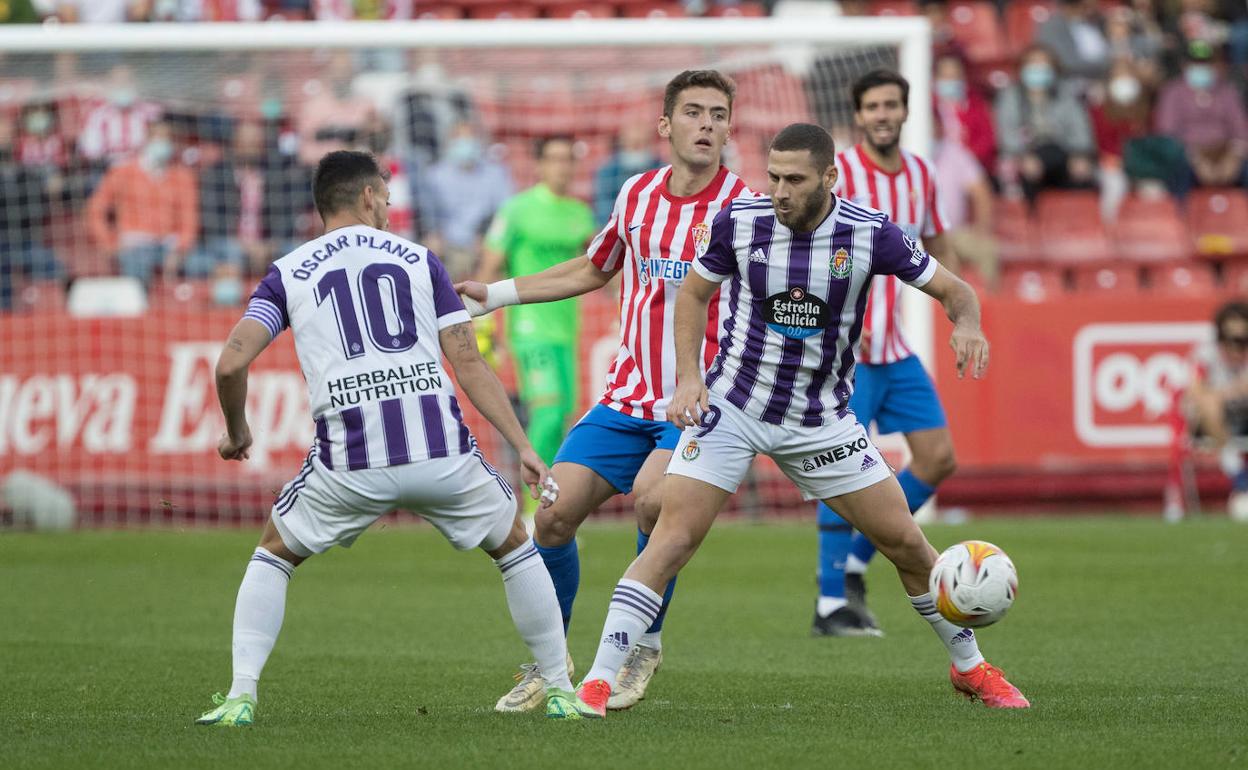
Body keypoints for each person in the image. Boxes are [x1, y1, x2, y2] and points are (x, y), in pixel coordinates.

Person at [571, 123, 1029, 717]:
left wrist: (966, 322)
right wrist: (689, 377)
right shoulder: (740, 222)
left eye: (795, 180)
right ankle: (601, 678)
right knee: (671, 538)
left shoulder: (870, 234)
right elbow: (691, 295)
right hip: (733, 409)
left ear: (829, 178)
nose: (781, 191)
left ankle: (971, 669)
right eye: (775, 178)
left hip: (820, 421)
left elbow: (954, 288)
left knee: (908, 546)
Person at [193, 150, 592, 727]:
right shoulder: (419, 259)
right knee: (513, 543)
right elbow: (467, 362)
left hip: (350, 461)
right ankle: (558, 688)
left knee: (274, 551)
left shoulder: (289, 270)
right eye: (383, 194)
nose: (387, 204)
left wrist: (237, 431)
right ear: (364, 197)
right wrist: (523, 445)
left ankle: (240, 697)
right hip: (441, 453)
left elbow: (231, 364)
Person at [457, 70, 752, 713]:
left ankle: (642, 643)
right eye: (695, 112)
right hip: (625, 397)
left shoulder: (745, 208)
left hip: (698, 402)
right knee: (553, 514)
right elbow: (595, 267)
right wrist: (497, 293)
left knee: (654, 500)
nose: (708, 124)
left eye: (719, 114)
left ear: (730, 128)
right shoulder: (637, 195)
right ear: (665, 126)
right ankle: (550, 661)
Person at [813, 70, 960, 637]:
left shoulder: (921, 174)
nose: (881, 113)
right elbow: (812, 249)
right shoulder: (840, 174)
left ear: (904, 111)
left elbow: (938, 243)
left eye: (891, 104)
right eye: (871, 105)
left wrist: (956, 306)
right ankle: (830, 606)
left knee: (939, 458)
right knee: (836, 469)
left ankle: (854, 565)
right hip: (845, 353)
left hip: (894, 348)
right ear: (858, 114)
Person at [478, 136, 597, 517]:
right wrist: (481, 324)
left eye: (568, 160)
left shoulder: (580, 214)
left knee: (561, 417)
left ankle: (547, 507)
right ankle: (533, 513)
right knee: (545, 414)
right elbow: (490, 266)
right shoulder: (517, 210)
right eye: (555, 159)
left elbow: (599, 265)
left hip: (568, 329)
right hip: (529, 327)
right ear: (539, 166)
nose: (563, 167)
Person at [85, 120, 199, 285]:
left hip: (169, 245)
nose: (163, 143)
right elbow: (96, 210)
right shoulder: (122, 172)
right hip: (135, 244)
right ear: (147, 140)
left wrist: (180, 248)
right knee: (136, 264)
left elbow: (189, 220)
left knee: (199, 264)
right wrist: (109, 243)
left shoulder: (182, 176)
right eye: (158, 137)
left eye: (167, 139)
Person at [995, 45, 1097, 202]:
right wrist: (1022, 157)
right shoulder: (1011, 96)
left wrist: (1080, 155)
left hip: (1062, 155)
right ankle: (1029, 223)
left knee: (1083, 179)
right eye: (1033, 63)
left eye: (1043, 65)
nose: (1038, 69)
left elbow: (1080, 129)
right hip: (1026, 157)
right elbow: (1007, 133)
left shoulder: (1066, 94)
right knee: (1024, 177)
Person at [418, 120, 514, 279]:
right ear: (450, 142)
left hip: (485, 245)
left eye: (470, 137)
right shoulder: (435, 175)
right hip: (449, 248)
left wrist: (487, 234)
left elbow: (505, 211)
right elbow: (428, 216)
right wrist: (433, 235)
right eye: (460, 138)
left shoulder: (496, 173)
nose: (466, 143)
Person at [1155, 39, 1248, 192]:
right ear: (1185, 65)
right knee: (1178, 169)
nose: (1201, 67)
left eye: (1205, 63)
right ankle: (1183, 215)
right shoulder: (1173, 93)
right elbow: (1167, 133)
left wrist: (1234, 157)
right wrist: (1196, 160)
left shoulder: (1227, 92)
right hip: (1188, 155)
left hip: (1224, 153)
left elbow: (1241, 129)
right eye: (1196, 63)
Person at [1186, 300, 1248, 510]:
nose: (1236, 345)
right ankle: (1238, 472)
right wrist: (1228, 393)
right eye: (1230, 338)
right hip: (1218, 418)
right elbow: (1195, 390)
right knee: (1207, 403)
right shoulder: (1207, 353)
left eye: (1242, 339)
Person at [593, 120, 660, 225]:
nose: (637, 150)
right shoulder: (608, 172)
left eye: (642, 144)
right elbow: (604, 211)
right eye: (633, 145)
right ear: (623, 144)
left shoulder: (661, 168)